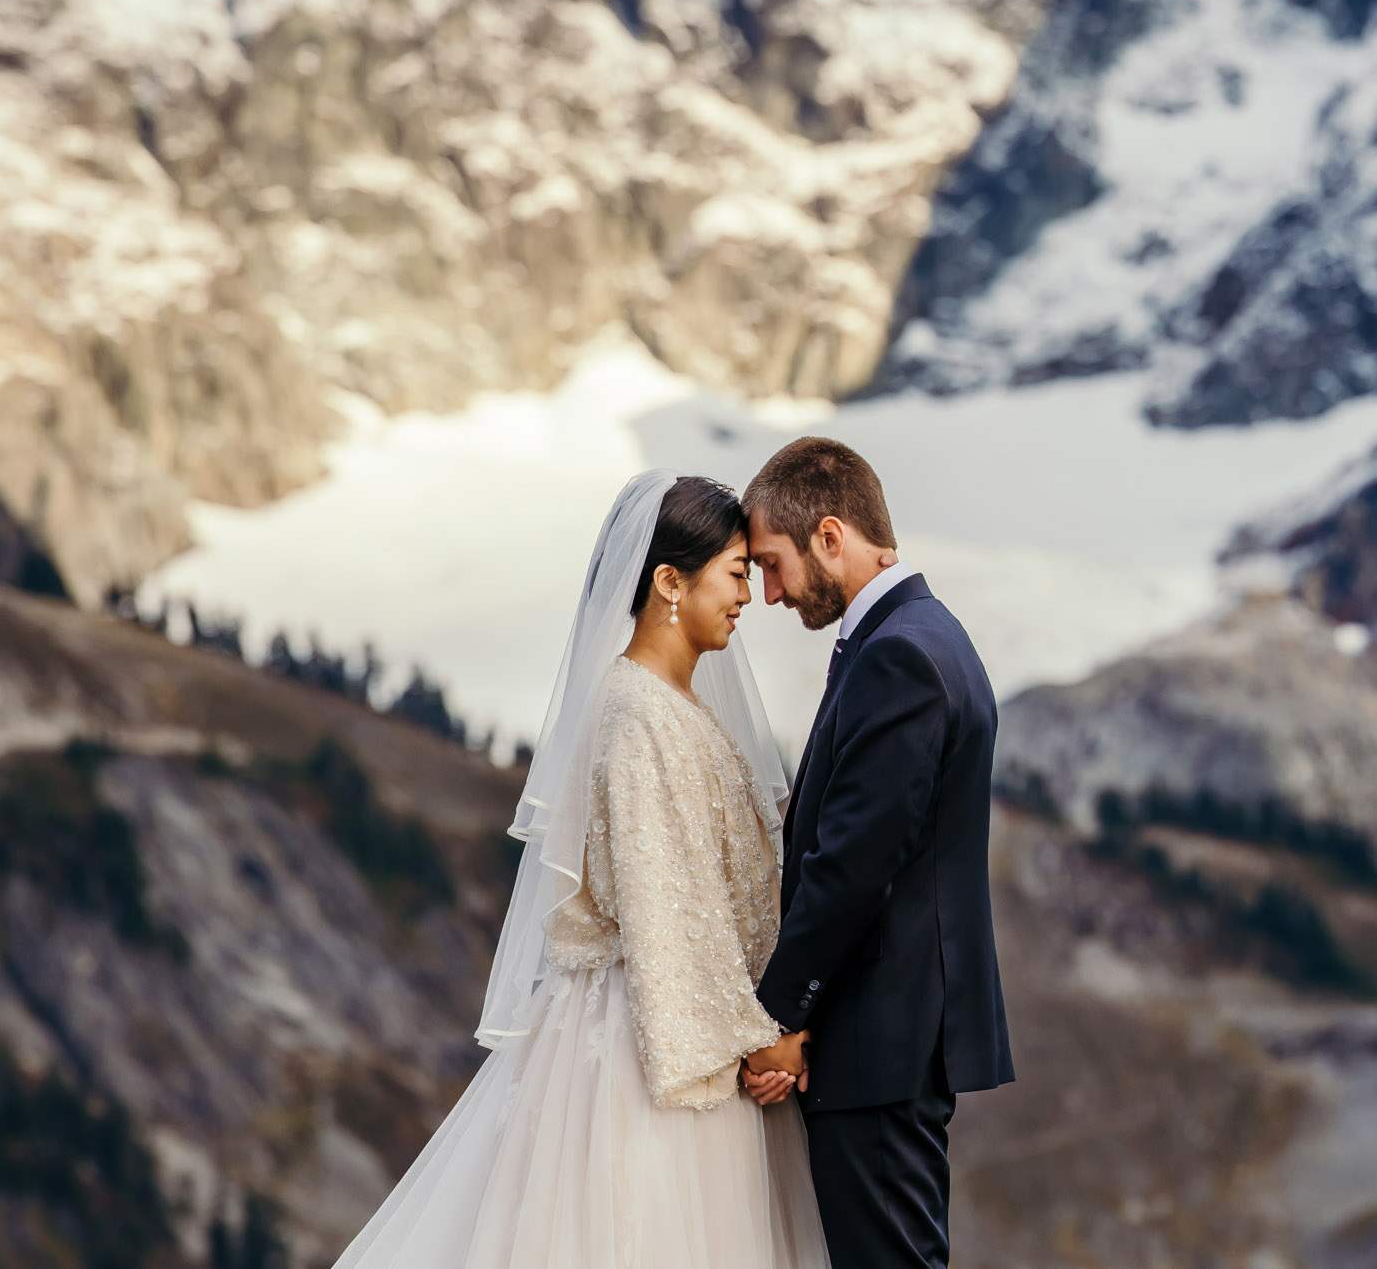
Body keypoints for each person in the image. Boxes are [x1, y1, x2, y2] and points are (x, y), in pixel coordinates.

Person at [329, 473, 829, 1269]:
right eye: (736, 572)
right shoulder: (636, 713)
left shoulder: (678, 706)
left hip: (698, 1032)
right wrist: (761, 1042)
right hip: (655, 1049)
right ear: (670, 579)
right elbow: (665, 910)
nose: (748, 596)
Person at [743, 437, 1014, 1269]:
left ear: (831, 535)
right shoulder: (915, 635)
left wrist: (780, 1017)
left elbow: (856, 862)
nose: (768, 592)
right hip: (888, 1036)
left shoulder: (899, 654)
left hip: (880, 1041)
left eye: (774, 563)